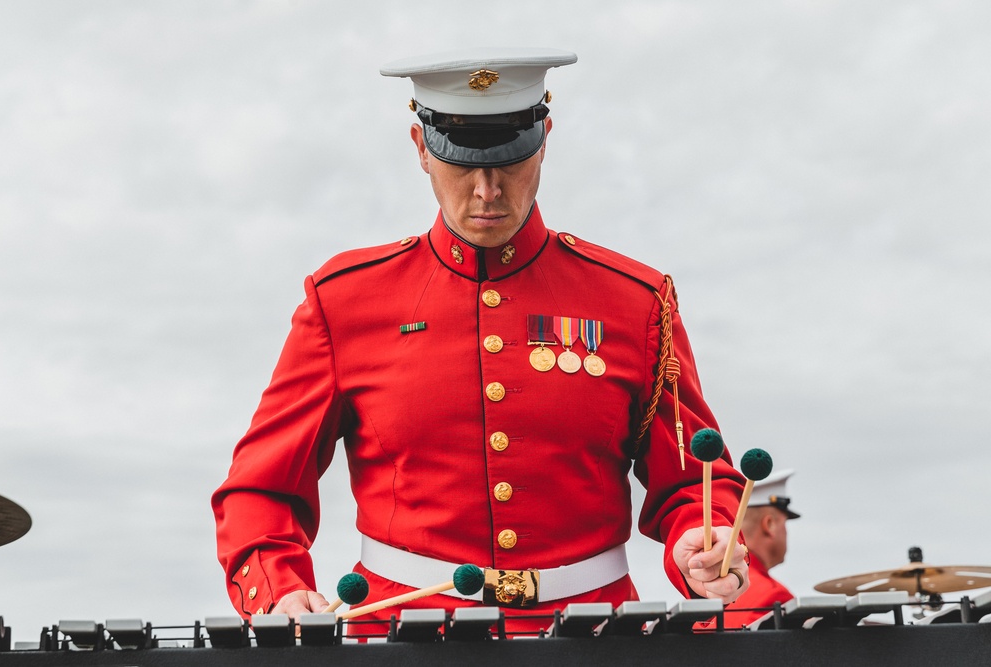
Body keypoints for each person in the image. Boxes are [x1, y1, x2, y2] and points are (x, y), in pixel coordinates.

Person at [212, 48, 749, 632]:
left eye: (508, 162)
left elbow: (697, 481)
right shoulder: (343, 302)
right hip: (398, 637)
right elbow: (259, 491)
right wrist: (279, 591)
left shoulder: (635, 302)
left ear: (544, 138)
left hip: (599, 639)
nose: (487, 191)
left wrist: (704, 536)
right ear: (420, 147)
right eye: (462, 164)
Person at [725, 469, 799, 628]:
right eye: (784, 523)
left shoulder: (707, 590)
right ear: (769, 524)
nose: (786, 532)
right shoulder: (774, 597)